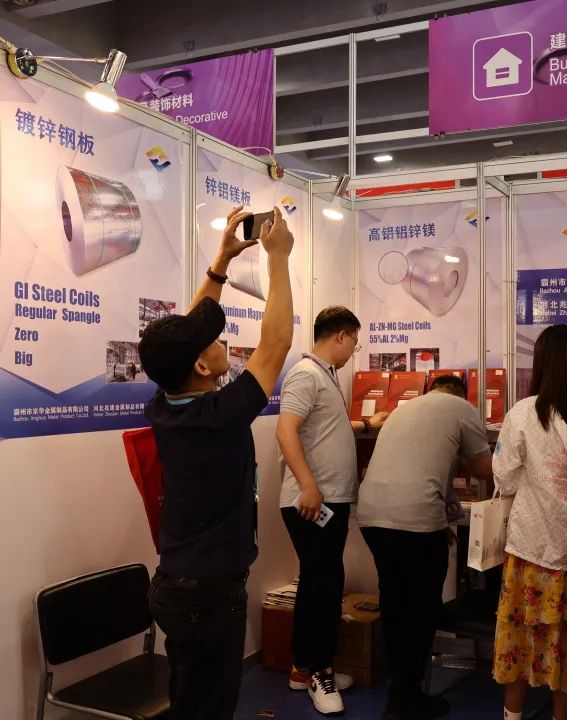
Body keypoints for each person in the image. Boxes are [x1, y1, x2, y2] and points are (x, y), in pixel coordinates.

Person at [140, 205, 294, 720]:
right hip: (206, 596)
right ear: (203, 366)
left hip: (180, 586)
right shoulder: (219, 415)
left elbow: (182, 343)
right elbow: (276, 343)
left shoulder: (166, 404)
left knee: (192, 703)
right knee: (208, 709)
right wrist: (278, 258)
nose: (220, 341)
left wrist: (221, 263)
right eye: (213, 342)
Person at [492, 324, 567, 720]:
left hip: (532, 547)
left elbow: (505, 477)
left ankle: (512, 715)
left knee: (519, 638)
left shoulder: (523, 413)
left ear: (540, 364)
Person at [357, 374, 494, 720]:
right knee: (421, 608)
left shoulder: (404, 408)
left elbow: (424, 467)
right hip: (414, 519)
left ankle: (398, 691)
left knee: (395, 602)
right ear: (461, 394)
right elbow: (482, 469)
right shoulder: (462, 409)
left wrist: (439, 522)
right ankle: (407, 699)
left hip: (372, 516)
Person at [275, 306, 386, 716]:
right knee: (323, 586)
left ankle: (304, 668)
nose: (354, 350)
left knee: (318, 583)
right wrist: (308, 484)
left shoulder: (325, 376)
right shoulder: (306, 374)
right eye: (354, 342)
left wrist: (366, 425)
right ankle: (319, 672)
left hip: (327, 499)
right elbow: (285, 430)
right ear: (340, 335)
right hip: (312, 501)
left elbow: (324, 428)